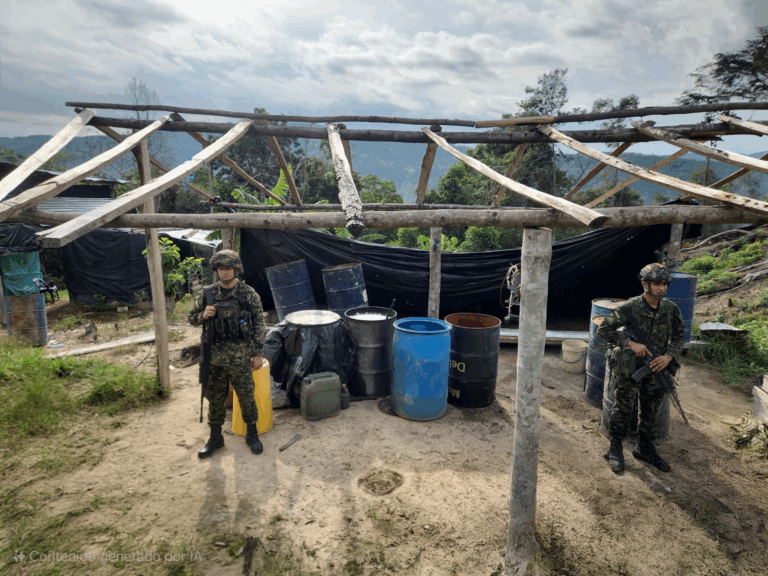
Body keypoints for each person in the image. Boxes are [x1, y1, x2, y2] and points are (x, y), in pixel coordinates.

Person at [597, 263, 686, 474]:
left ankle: (645, 447)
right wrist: (630, 343)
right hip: (631, 368)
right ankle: (615, 448)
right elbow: (604, 329)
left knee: (651, 410)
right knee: (623, 408)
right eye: (656, 284)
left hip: (656, 368)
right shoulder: (630, 307)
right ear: (645, 283)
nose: (661, 288)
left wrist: (669, 356)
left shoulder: (670, 309)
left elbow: (680, 335)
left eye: (664, 284)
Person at [189, 250, 266, 457]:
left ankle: (252, 434)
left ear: (235, 269)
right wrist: (203, 315)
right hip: (213, 358)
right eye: (221, 269)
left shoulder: (248, 293)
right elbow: (192, 318)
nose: (224, 273)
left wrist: (258, 353)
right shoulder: (208, 294)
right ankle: (216, 438)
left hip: (240, 356)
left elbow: (259, 323)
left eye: (228, 268)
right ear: (216, 271)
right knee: (214, 398)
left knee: (246, 396)